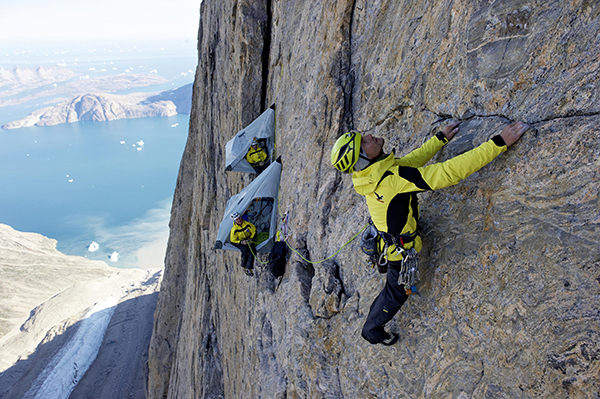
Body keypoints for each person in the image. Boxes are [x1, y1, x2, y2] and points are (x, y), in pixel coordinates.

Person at [330, 120, 530, 345]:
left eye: (363, 136)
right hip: (400, 250)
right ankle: (371, 329)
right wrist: (499, 143)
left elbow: (412, 162)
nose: (369, 136)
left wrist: (439, 139)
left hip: (393, 235)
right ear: (363, 160)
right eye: (364, 142)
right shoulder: (390, 180)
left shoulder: (376, 174)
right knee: (396, 293)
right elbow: (448, 172)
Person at [229, 212, 257, 276]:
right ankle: (244, 266)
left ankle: (248, 267)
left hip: (248, 240)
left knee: (252, 250)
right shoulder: (234, 230)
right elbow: (233, 240)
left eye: (239, 218)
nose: (239, 220)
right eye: (237, 219)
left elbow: (253, 230)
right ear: (235, 221)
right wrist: (241, 242)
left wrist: (251, 238)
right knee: (244, 250)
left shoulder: (247, 224)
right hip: (239, 242)